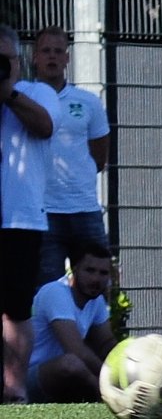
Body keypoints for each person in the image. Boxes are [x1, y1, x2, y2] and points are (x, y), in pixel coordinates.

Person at [1, 25, 57, 403]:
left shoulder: (37, 93)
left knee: (16, 308)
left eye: (3, 60)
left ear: (19, 61)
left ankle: (15, 389)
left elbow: (45, 127)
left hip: (20, 219)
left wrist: (9, 93)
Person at [29, 27, 111, 285]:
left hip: (84, 209)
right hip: (42, 212)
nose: (52, 57)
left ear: (67, 58)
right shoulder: (23, 99)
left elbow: (99, 155)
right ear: (35, 57)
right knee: (45, 290)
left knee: (97, 286)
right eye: (45, 51)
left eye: (58, 51)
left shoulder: (88, 101)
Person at [24, 241, 115, 402]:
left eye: (103, 273)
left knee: (75, 364)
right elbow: (76, 350)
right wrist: (112, 383)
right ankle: (108, 398)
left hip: (59, 379)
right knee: (71, 363)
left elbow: (106, 343)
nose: (96, 279)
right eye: (90, 270)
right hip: (28, 377)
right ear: (74, 269)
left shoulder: (96, 299)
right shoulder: (55, 292)